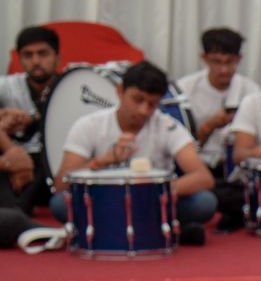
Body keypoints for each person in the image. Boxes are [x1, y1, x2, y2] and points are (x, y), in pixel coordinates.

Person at [54, 61, 217, 244]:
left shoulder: (167, 126)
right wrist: (101, 161)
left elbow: (203, 178)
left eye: (152, 104)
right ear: (120, 91)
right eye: (137, 100)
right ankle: (158, 228)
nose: (143, 110)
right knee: (60, 203)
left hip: (152, 202)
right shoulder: (88, 125)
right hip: (106, 202)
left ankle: (115, 228)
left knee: (204, 202)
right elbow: (61, 183)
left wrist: (149, 191)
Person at [177, 27, 260, 176]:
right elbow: (176, 145)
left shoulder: (252, 92)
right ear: (204, 58)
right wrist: (210, 126)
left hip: (239, 170)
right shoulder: (184, 90)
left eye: (230, 62)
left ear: (239, 58)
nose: (224, 70)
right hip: (198, 166)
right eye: (216, 62)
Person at [0, 25, 64, 204]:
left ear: (57, 57)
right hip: (13, 163)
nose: (36, 61)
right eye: (28, 55)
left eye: (43, 54)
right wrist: (4, 115)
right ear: (19, 59)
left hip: (51, 165)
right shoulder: (8, 86)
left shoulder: (69, 87)